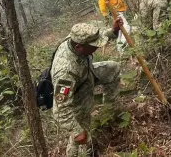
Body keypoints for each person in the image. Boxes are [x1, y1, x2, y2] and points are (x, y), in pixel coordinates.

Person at [51, 18, 123, 157]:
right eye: (94, 45)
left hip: (87, 73)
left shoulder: (77, 36)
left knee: (113, 68)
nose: (97, 47)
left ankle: (109, 111)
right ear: (79, 47)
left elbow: (98, 36)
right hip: (75, 93)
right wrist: (76, 131)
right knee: (82, 138)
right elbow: (60, 109)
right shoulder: (65, 72)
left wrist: (113, 31)